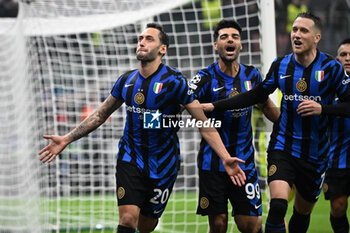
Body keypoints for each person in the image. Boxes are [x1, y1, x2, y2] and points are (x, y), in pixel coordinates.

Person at [39, 23, 246, 233]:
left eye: (149, 39)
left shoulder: (175, 82)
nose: (142, 42)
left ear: (162, 48)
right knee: (128, 219)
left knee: (146, 226)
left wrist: (224, 156)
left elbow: (203, 121)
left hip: (164, 165)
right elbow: (100, 114)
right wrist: (67, 138)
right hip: (130, 158)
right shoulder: (126, 80)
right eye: (140, 38)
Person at [201, 12, 350, 233]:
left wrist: (323, 109)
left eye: (303, 31)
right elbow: (256, 95)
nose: (296, 35)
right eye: (294, 30)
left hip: (316, 154)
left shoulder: (331, 68)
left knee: (302, 212)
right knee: (278, 205)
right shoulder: (281, 65)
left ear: (317, 37)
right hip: (283, 147)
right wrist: (216, 106)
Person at [189, 19, 280, 233]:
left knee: (250, 224)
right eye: (224, 37)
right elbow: (191, 109)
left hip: (244, 162)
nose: (230, 40)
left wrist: (289, 124)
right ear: (215, 45)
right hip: (213, 165)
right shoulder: (204, 77)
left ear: (240, 45)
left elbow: (267, 106)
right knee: (218, 224)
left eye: (235, 37)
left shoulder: (252, 75)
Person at [323, 38, 350, 233]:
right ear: (337, 59)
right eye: (343, 54)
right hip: (337, 159)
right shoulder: (328, 88)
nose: (348, 58)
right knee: (338, 208)